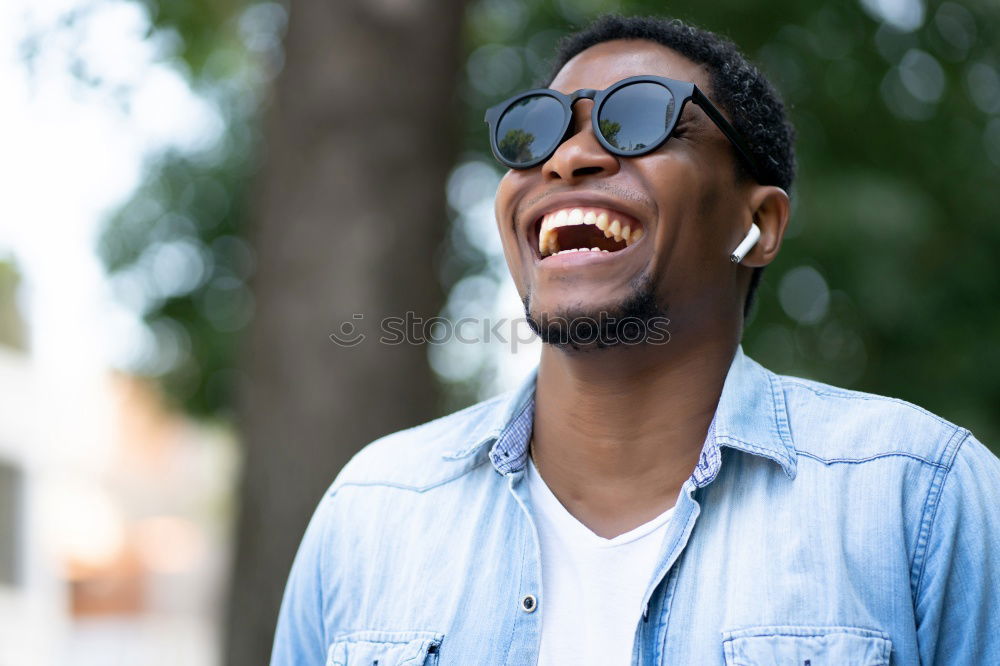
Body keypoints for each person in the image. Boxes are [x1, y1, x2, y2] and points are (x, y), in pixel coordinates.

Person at [271, 14, 1000, 665]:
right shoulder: (374, 506)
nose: (566, 159)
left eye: (641, 117)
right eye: (537, 131)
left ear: (759, 226)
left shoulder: (918, 498)